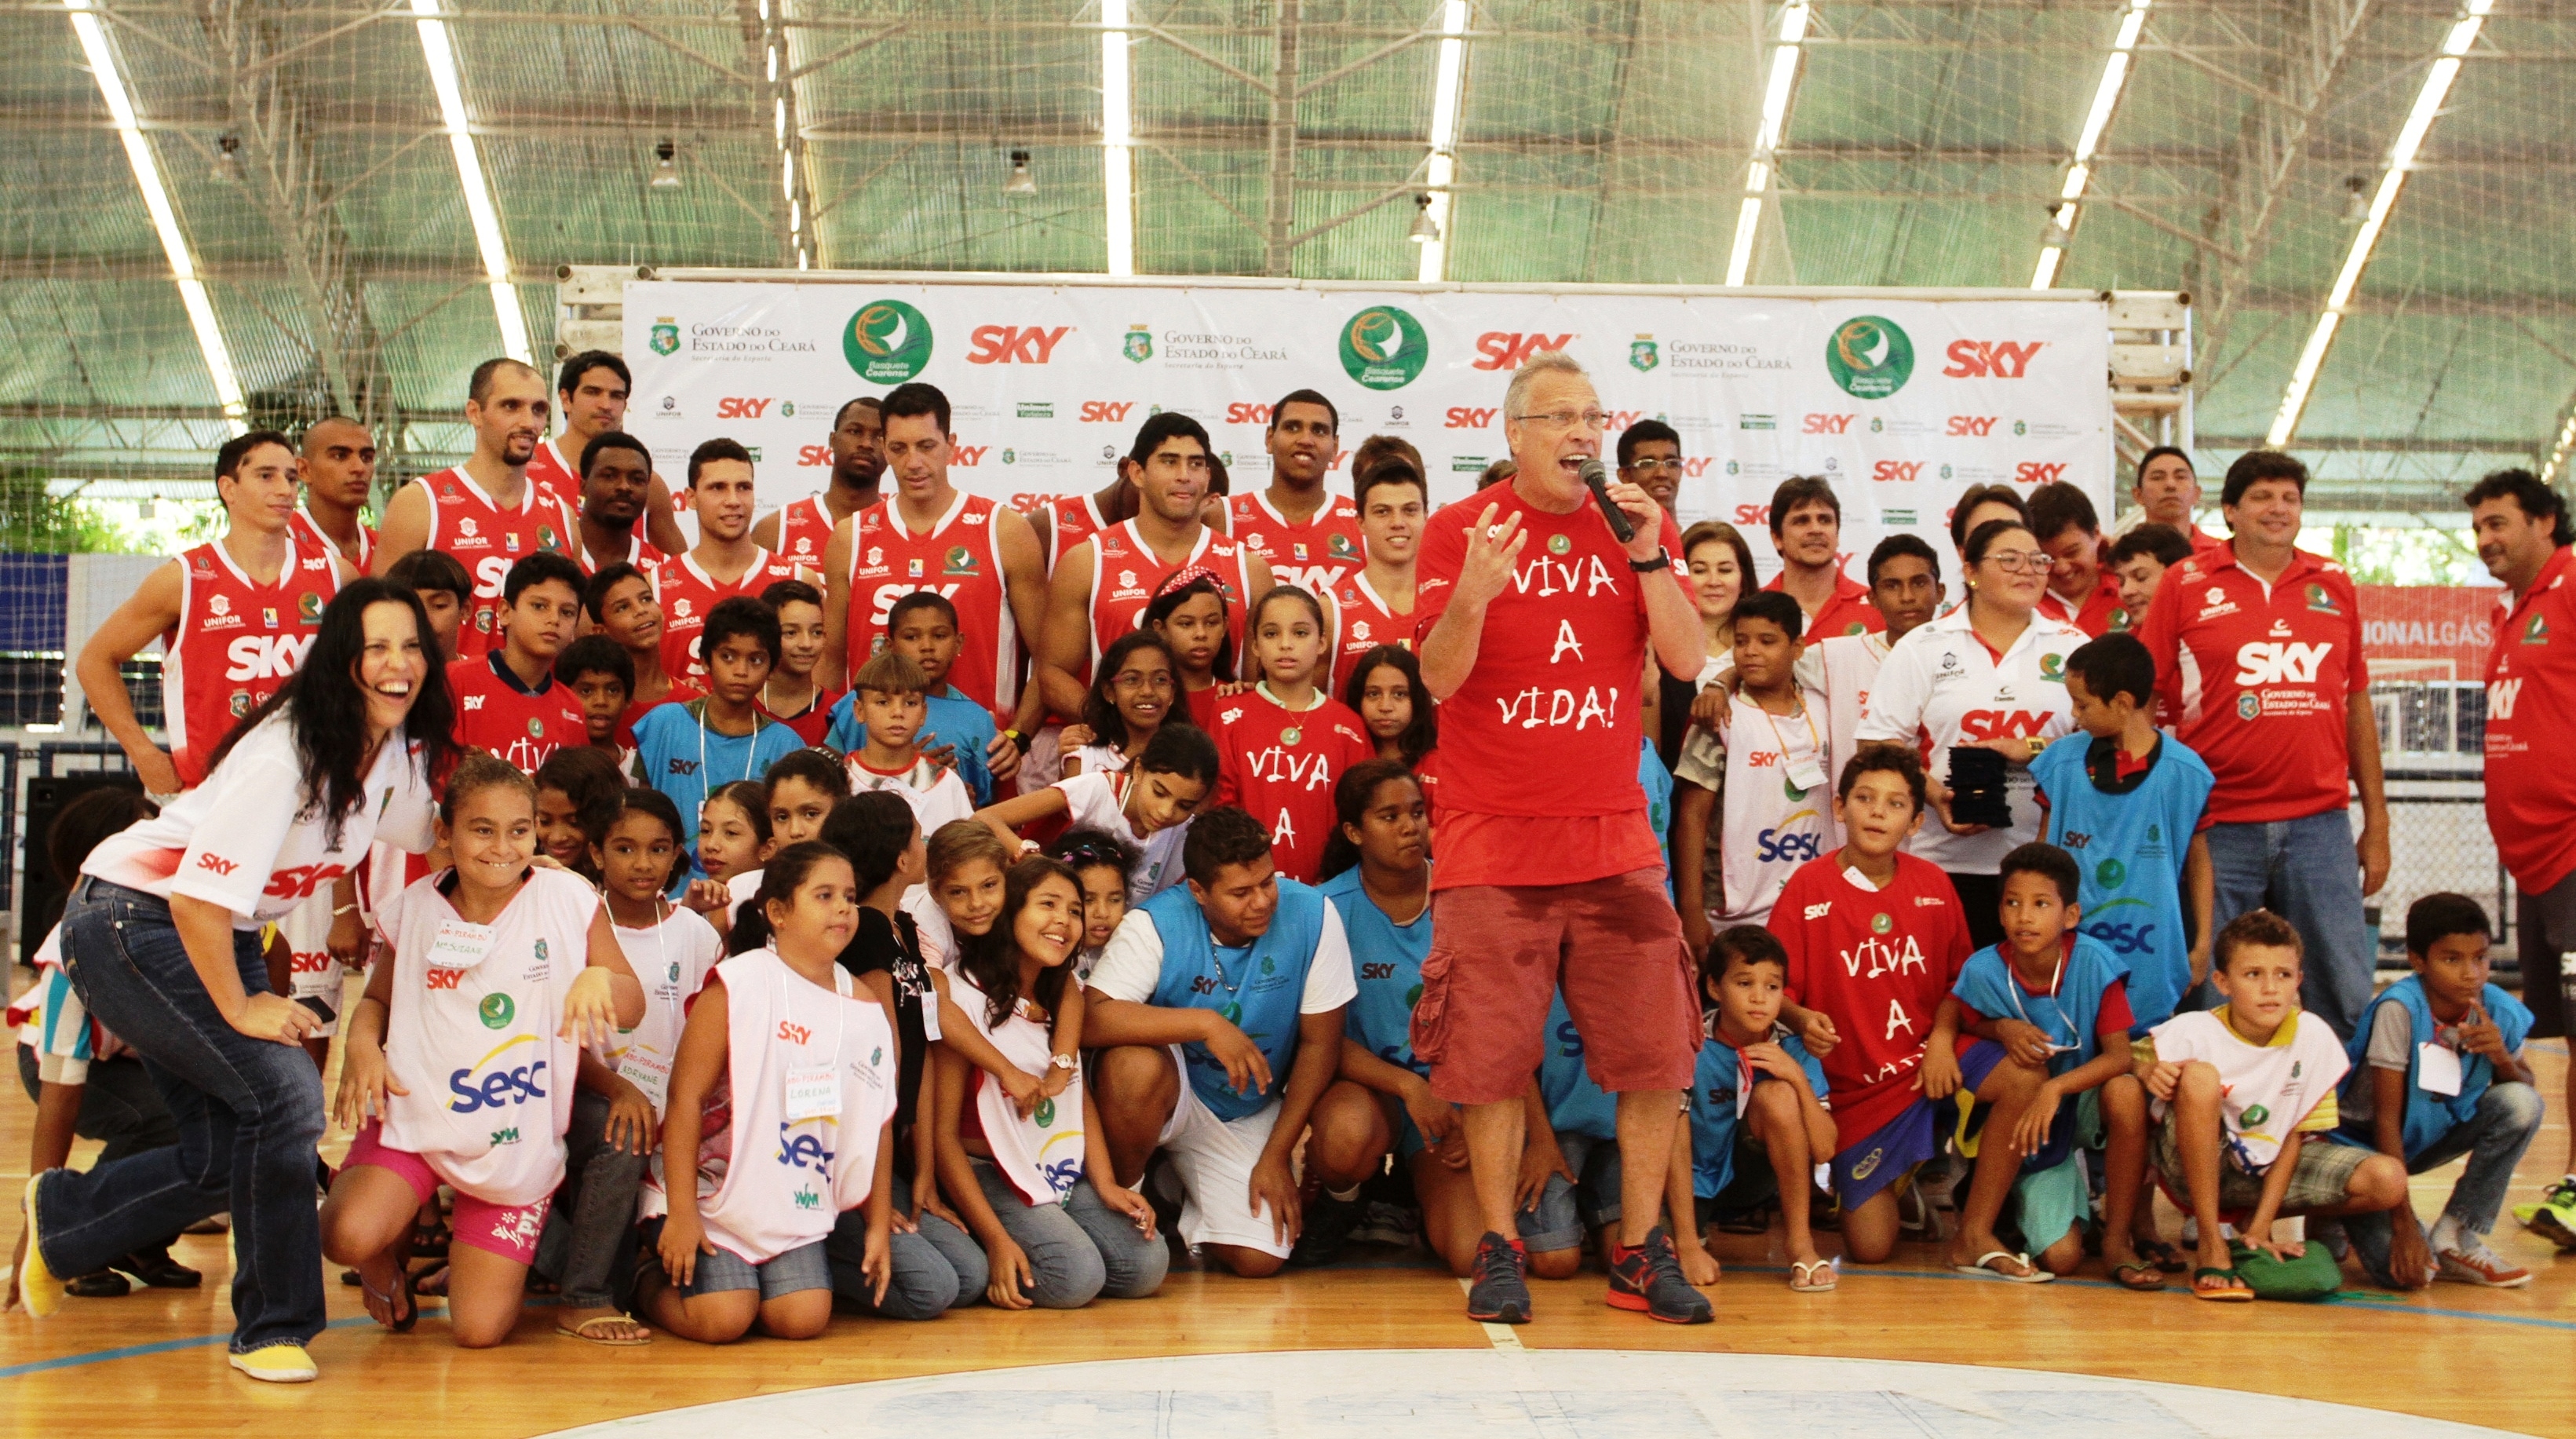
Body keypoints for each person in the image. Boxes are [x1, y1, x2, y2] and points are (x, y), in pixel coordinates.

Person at [17, 581, 453, 1381]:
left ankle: (66, 1220)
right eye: (377, 647)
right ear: (341, 660)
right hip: (134, 920)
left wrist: (521, 850)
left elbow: (431, 829)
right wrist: (241, 1003)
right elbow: (194, 899)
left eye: (412, 647)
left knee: (230, 1149)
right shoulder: (286, 755)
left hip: (215, 930)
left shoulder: (390, 751)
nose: (399, 664)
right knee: (287, 1096)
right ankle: (272, 1328)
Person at [1409, 349, 1709, 1326]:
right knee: (1488, 1059)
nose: (1583, 434)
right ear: (1516, 434)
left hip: (1615, 840)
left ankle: (1640, 1251)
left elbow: (1687, 661)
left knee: (1658, 1051)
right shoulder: (1461, 530)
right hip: (1491, 841)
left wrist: (1651, 555)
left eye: (1592, 417)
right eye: (1561, 418)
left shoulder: (1633, 527)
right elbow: (1438, 680)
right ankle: (1499, 1246)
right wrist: (1474, 591)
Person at [321, 754, 643, 1346]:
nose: (502, 847)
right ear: (444, 833)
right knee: (346, 1234)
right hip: (418, 1118)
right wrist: (362, 1046)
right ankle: (379, 1261)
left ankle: (481, 1247)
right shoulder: (415, 907)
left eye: (519, 830)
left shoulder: (568, 898)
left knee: (478, 1331)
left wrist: (601, 979)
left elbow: (632, 1003)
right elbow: (376, 1001)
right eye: (482, 829)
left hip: (516, 1141)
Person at [1765, 744, 2044, 1280]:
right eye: (1865, 799)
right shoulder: (1807, 888)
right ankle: (1899, 1181)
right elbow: (1777, 991)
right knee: (1871, 1247)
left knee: (2024, 1076)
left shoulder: (1935, 885)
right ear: (1840, 807)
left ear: (1916, 821)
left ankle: (1975, 1232)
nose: (1877, 812)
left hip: (1931, 1062)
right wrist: (1801, 1019)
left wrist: (1940, 1040)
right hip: (1858, 1090)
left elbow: (1960, 986)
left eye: (1895, 804)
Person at [2140, 450, 2387, 1039]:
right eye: (2261, 497)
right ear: (2230, 510)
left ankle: (2338, 1100)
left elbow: (2356, 703)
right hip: (2216, 822)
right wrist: (2145, 805)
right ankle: (2208, 1098)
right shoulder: (2185, 582)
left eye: (2289, 498)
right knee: (2209, 988)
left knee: (2344, 990)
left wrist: (2377, 820)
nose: (2278, 508)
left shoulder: (2334, 582)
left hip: (2320, 823)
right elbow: (2145, 696)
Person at [636, 844, 901, 1343]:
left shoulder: (865, 1006)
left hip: (790, 1199)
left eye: (849, 896)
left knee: (802, 1320)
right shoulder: (739, 983)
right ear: (778, 912)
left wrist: (876, 1224)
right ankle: (642, 1277)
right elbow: (685, 1099)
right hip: (708, 1195)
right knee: (723, 1319)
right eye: (824, 895)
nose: (843, 908)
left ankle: (749, 1281)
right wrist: (682, 1215)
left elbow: (878, 1123)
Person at [1084, 808, 1355, 1277]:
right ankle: (1125, 1198)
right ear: (1198, 891)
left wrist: (1277, 1155)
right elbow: (1091, 1019)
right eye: (1241, 893)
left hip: (1244, 1107)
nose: (1262, 901)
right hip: (1170, 1094)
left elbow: (1320, 1046)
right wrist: (1206, 1024)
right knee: (1132, 1067)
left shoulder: (1313, 912)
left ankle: (1173, 1186)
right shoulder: (1154, 922)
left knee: (1261, 1259)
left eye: (1267, 882)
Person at [932, 856, 1168, 1308]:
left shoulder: (1060, 995)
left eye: (1074, 910)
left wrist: (1106, 1184)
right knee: (1075, 1278)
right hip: (986, 1172)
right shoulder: (962, 996)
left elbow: (1076, 1100)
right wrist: (997, 1239)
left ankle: (1043, 1237)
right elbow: (941, 1138)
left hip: (1052, 1165)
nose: (1064, 920)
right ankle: (983, 1251)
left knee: (1146, 1264)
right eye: (1048, 905)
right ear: (1011, 912)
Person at [2141, 910, 2406, 1301]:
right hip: (2193, 1169)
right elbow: (2123, 1060)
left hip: (2263, 1173)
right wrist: (2146, 1070)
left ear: (2299, 980)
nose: (2270, 988)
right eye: (2253, 975)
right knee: (2198, 1077)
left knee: (2388, 1179)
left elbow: (2294, 1136)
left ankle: (2248, 1227)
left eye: (2283, 975)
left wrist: (2262, 1226)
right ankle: (2211, 1239)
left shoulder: (2314, 1036)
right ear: (2222, 982)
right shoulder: (2192, 1029)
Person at [537, 787, 721, 1344]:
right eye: (624, 848)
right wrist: (618, 1088)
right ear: (596, 853)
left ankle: (606, 1276)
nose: (643, 863)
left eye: (658, 849)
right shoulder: (572, 923)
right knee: (619, 1132)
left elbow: (710, 1035)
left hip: (677, 1109)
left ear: (677, 853)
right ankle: (569, 1275)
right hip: (586, 1093)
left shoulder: (696, 933)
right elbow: (555, 1035)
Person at [76, 428, 354, 794]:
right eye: (266, 476)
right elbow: (95, 661)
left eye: (290, 478)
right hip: (209, 790)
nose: (285, 489)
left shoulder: (336, 574)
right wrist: (144, 755)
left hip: (309, 788)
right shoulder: (184, 578)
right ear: (229, 488)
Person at [1857, 517, 2086, 951]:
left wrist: (2032, 747)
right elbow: (1876, 743)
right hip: (1941, 863)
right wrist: (1935, 796)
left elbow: (2100, 744)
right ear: (1971, 571)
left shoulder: (2073, 645)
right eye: (2010, 559)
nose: (2028, 570)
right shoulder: (1923, 645)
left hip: (2045, 867)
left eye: (2037, 560)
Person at [9, 788, 198, 1300]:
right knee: (159, 1118)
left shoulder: (185, 915)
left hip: (133, 1055)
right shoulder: (70, 957)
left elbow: (271, 948)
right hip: (60, 1060)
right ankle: (74, 1236)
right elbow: (59, 1099)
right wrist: (38, 1225)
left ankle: (140, 1241)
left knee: (212, 1123)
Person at [819, 794, 991, 1320]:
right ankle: (816, 1252)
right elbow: (879, 1074)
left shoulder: (904, 928)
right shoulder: (865, 932)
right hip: (852, 1155)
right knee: (933, 1289)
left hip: (894, 1148)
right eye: (920, 836)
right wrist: (872, 1203)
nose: (926, 844)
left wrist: (925, 1174)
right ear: (900, 857)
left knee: (971, 1275)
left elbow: (923, 1045)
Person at [2461, 467, 2576, 1248]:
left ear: (2545, 522)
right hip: (2538, 864)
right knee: (2564, 1035)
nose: (2485, 540)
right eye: (2478, 528)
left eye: (2498, 522)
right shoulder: (2515, 612)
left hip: (2571, 849)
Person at [1950, 842, 2151, 1284]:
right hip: (2028, 1119)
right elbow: (1962, 1017)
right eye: (2013, 903)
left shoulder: (2094, 962)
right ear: (2000, 913)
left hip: (2078, 1099)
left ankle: (2117, 1239)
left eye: (2041, 904)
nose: (2025, 916)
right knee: (2062, 1258)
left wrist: (2056, 1087)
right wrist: (2001, 1028)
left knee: (2126, 1091)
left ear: (2071, 915)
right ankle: (2011, 1202)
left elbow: (2120, 1056)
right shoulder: (1983, 969)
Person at [822, 383, 1048, 758]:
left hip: (980, 754)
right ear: (884, 449)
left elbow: (1048, 659)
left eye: (926, 446)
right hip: (872, 758)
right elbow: (831, 661)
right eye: (899, 448)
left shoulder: (1004, 530)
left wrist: (1019, 735)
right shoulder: (851, 537)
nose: (913, 462)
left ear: (951, 445)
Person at [2332, 893, 2541, 1289]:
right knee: (2410, 1275)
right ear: (2418, 961)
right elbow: (2386, 1122)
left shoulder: (2498, 1009)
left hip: (2426, 1140)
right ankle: (2342, 1210)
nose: (2471, 973)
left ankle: (2456, 1234)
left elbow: (2526, 1088)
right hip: (2364, 1151)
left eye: (2480, 958)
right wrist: (2404, 1226)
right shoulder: (2399, 1010)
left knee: (2521, 1103)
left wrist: (2501, 1057)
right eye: (2452, 959)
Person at [2031, 633, 2214, 1032]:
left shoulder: (2185, 773)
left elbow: (2199, 863)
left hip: (2151, 949)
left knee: (2141, 1051)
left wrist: (2202, 946)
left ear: (2122, 702)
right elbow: (2041, 855)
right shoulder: (2060, 764)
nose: (2074, 714)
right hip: (2071, 942)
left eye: (2082, 704)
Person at [1034, 413, 1271, 715]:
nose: (1184, 475)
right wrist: (1112, 728)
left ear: (1208, 476)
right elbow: (1052, 673)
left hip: (1219, 743)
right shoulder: (1087, 561)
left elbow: (1263, 685)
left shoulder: (1250, 570)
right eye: (1169, 462)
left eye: (1196, 464)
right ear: (1137, 473)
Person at [372, 358, 582, 659]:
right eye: (511, 406)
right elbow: (380, 617)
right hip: (446, 687)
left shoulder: (562, 515)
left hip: (536, 688)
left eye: (538, 409)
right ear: (474, 412)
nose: (528, 422)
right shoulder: (421, 502)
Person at [1673, 590, 1833, 953]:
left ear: (1797, 647)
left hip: (1811, 902)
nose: (1750, 651)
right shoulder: (1718, 717)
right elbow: (1692, 818)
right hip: (1732, 909)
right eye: (1741, 641)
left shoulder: (1825, 706)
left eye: (1767, 641)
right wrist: (1691, 909)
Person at [1680, 926, 1834, 1292]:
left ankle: (1800, 1244)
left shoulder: (1794, 1048)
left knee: (1777, 1095)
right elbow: (1672, 1138)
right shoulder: (1689, 1043)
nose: (1759, 998)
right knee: (1657, 1253)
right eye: (1744, 983)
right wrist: (1686, 1242)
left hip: (1754, 1181)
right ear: (1715, 988)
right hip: (1691, 1183)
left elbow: (1825, 1149)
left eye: (1772, 986)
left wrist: (1796, 1077)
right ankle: (1690, 1234)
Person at [1212, 586, 1376, 885]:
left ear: (1322, 642)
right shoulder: (1228, 714)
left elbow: (1361, 816)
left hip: (1330, 890)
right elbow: (1220, 807)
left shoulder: (1350, 726)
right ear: (1255, 645)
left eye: (1300, 633)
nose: (1286, 645)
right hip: (1249, 888)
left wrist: (1335, 880)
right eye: (1271, 634)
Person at [629, 596, 805, 867]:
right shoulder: (664, 725)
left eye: (756, 660)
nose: (741, 671)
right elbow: (641, 814)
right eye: (728, 657)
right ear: (705, 661)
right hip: (672, 884)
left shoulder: (787, 745)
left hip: (754, 887)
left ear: (772, 668)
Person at [975, 724, 1218, 907]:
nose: (1166, 812)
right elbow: (984, 818)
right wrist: (1033, 860)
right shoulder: (1097, 789)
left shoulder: (1187, 833)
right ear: (1139, 770)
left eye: (1185, 805)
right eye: (1159, 792)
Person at [824, 591, 1006, 803]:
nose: (927, 646)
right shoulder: (859, 702)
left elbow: (991, 802)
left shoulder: (977, 718)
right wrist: (907, 767)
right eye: (911, 637)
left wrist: (962, 800)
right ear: (890, 646)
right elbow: (828, 778)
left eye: (939, 636)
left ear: (958, 643)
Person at [656, 439, 805, 688]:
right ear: (691, 498)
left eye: (744, 487)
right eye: (718, 488)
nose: (733, 500)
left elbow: (814, 685)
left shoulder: (797, 579)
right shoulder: (655, 587)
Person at [526, 350, 686, 557]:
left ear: (625, 405)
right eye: (593, 392)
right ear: (566, 399)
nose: (606, 405)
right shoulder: (525, 468)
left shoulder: (648, 484)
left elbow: (679, 567)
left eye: (616, 396)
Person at [447, 552, 589, 772]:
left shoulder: (573, 707)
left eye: (567, 612)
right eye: (539, 606)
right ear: (505, 612)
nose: (554, 619)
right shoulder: (455, 680)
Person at [1221, 389, 1363, 598]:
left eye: (1319, 431)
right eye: (1292, 427)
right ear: (1270, 439)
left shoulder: (1362, 521)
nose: (1306, 440)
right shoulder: (1224, 517)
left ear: (1335, 448)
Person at [841, 648, 976, 838]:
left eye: (910, 703)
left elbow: (965, 849)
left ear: (923, 713)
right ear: (859, 711)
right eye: (883, 702)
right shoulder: (839, 781)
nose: (898, 713)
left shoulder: (947, 783)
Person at [1326, 455, 1428, 696]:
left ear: (1426, 515)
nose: (1398, 523)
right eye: (1382, 512)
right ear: (1360, 522)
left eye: (1410, 511)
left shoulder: (1453, 600)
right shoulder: (1331, 610)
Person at [754, 396, 884, 563]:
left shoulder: (903, 527)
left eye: (879, 436)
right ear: (832, 440)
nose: (866, 444)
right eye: (855, 432)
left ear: (891, 448)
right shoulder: (777, 529)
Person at [583, 562, 695, 746]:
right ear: (601, 632)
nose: (641, 610)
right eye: (623, 607)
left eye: (646, 599)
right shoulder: (595, 709)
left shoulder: (693, 702)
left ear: (661, 609)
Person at [1763, 477, 1882, 640]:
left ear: (1837, 534)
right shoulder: (1751, 609)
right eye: (1801, 521)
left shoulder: (1879, 606)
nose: (1816, 529)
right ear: (1777, 538)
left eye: (1825, 520)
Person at [1060, 630, 1182, 777]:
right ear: (1109, 691)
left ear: (1173, 692)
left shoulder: (1191, 759)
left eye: (1160, 680)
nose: (1147, 691)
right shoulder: (1084, 760)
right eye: (1132, 679)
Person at [2025, 481, 2125, 637]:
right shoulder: (2025, 604)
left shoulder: (2129, 591)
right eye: (2046, 558)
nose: (2061, 568)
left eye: (2071, 553)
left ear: (2096, 534)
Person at [1146, 571, 1239, 731]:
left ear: (1225, 626)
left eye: (1211, 623)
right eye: (1186, 624)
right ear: (1160, 629)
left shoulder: (1237, 697)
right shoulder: (1145, 697)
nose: (1201, 634)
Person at [1028, 450, 1143, 572]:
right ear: (1124, 468)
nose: (1146, 505)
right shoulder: (1048, 524)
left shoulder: (1156, 538)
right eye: (1144, 491)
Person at [1343, 644, 1438, 790]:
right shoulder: (1344, 757)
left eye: (1399, 694)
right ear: (1358, 698)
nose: (1385, 707)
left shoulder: (1438, 764)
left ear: (1417, 699)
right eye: (1373, 694)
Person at [1048, 829, 1139, 979]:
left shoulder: (1128, 954)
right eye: (1088, 900)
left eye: (1115, 900)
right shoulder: (1047, 960)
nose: (1103, 913)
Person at [571, 431, 665, 575]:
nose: (624, 487)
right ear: (583, 487)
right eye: (610, 476)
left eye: (637, 479)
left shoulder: (662, 571)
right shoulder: (554, 550)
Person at [758, 579, 839, 744]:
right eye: (791, 633)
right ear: (766, 635)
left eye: (816, 632)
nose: (806, 644)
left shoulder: (839, 712)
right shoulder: (741, 706)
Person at [292, 415, 378, 569]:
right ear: (304, 470)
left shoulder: (385, 549)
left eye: (367, 458)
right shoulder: (279, 542)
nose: (359, 468)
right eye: (340, 456)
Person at [534, 745, 624, 880]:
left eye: (574, 823)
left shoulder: (628, 885)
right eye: (544, 821)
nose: (557, 837)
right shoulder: (522, 878)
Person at [2122, 445, 2223, 555]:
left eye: (2180, 477)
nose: (2170, 485)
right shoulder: (2120, 557)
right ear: (2138, 495)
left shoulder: (2222, 554)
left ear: (2196, 494)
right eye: (2157, 477)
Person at [1944, 484, 2029, 608]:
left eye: (2013, 533)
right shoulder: (1948, 622)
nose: (2001, 545)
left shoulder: (2057, 621)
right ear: (1963, 554)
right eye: (1984, 536)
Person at [556, 634, 635, 765]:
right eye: (586, 691)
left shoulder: (639, 768)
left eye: (613, 690)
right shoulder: (552, 765)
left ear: (628, 698)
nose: (601, 701)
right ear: (563, 697)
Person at [2103, 523, 2194, 633]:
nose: (2127, 591)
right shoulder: (2123, 643)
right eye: (2121, 582)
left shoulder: (2207, 636)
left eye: (2141, 578)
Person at [387, 549, 472, 664]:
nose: (424, 619)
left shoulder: (480, 674)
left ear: (465, 609)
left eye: (439, 605)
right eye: (411, 606)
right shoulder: (375, 673)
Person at [1618, 418, 1687, 515]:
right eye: (1648, 464)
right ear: (1625, 476)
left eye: (1671, 463)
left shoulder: (1702, 525)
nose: (1662, 473)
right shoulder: (1608, 525)